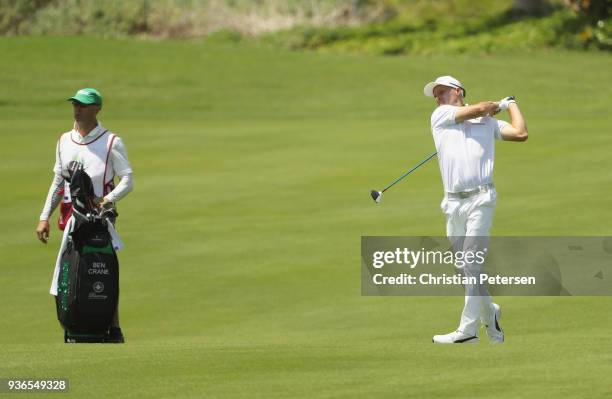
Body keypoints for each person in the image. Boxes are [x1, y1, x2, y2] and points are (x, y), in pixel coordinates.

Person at [423, 76, 528, 344]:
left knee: (471, 263)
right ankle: (489, 310)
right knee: (464, 267)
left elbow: (520, 134)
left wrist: (511, 104)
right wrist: (496, 105)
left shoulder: (488, 122)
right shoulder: (441, 115)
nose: (438, 98)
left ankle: (469, 331)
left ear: (457, 92)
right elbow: (480, 108)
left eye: (442, 92)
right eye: (436, 94)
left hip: (481, 199)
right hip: (452, 203)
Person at [36, 88, 133, 343]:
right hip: (72, 218)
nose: (78, 109)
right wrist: (45, 216)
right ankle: (74, 323)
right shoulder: (64, 141)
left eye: (84, 105)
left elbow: (128, 180)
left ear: (97, 109)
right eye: (76, 104)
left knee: (104, 270)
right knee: (66, 270)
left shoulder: (111, 141)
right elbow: (58, 182)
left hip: (101, 218)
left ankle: (114, 328)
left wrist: (108, 200)